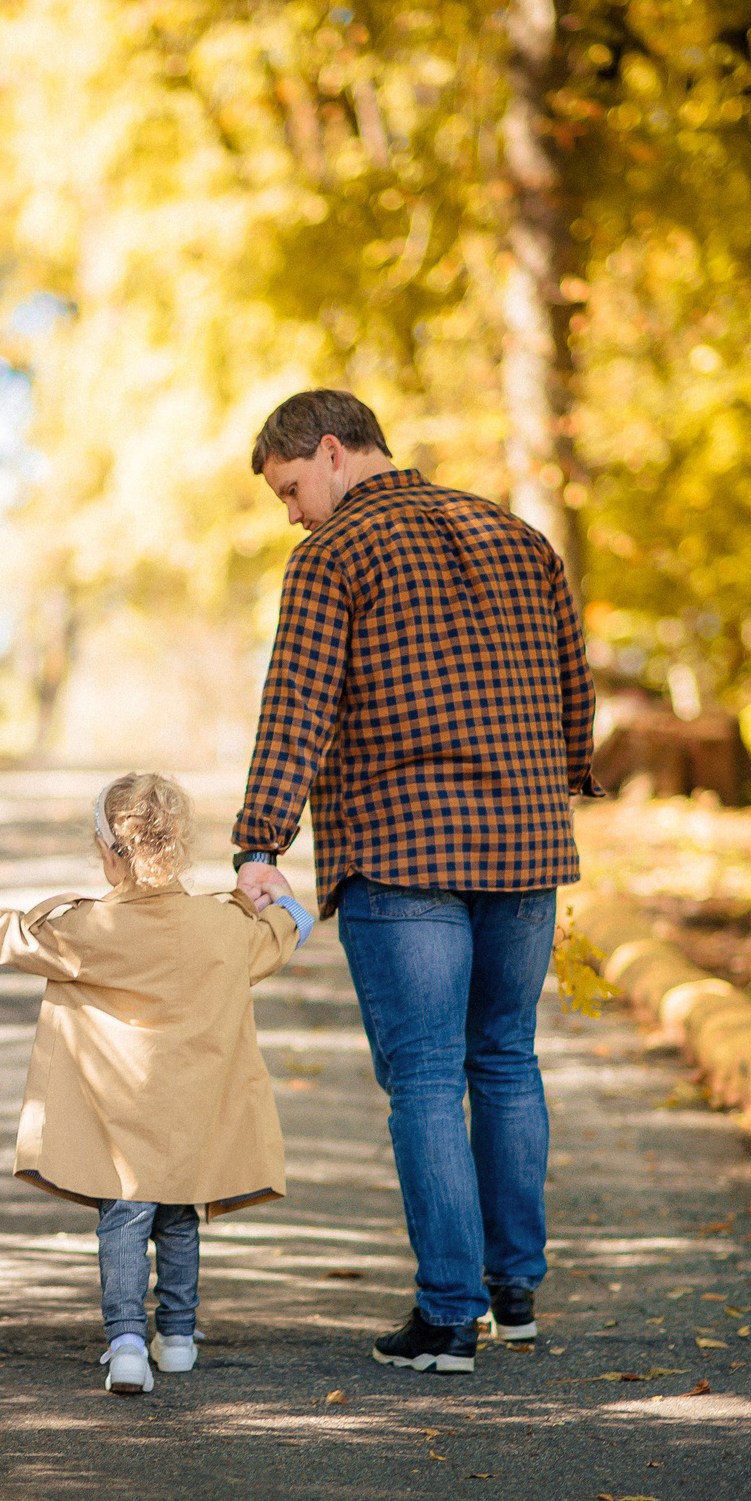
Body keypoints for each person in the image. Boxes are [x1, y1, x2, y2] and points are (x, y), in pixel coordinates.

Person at [230, 389, 600, 1374]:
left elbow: (297, 708)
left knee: (429, 1075)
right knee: (506, 1058)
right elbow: (574, 687)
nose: (293, 513)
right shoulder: (519, 537)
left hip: (404, 849)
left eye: (291, 488)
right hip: (526, 843)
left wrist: (260, 843)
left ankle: (447, 1314)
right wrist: (563, 780)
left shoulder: (333, 556)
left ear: (333, 451)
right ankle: (512, 1292)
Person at [0, 773, 311, 1395]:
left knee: (124, 1219)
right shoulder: (223, 927)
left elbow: (10, 935)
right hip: (193, 1116)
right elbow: (283, 936)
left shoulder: (90, 928)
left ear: (109, 851)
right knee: (180, 1217)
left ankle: (126, 1345)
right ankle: (178, 1338)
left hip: (120, 1121)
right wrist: (282, 897)